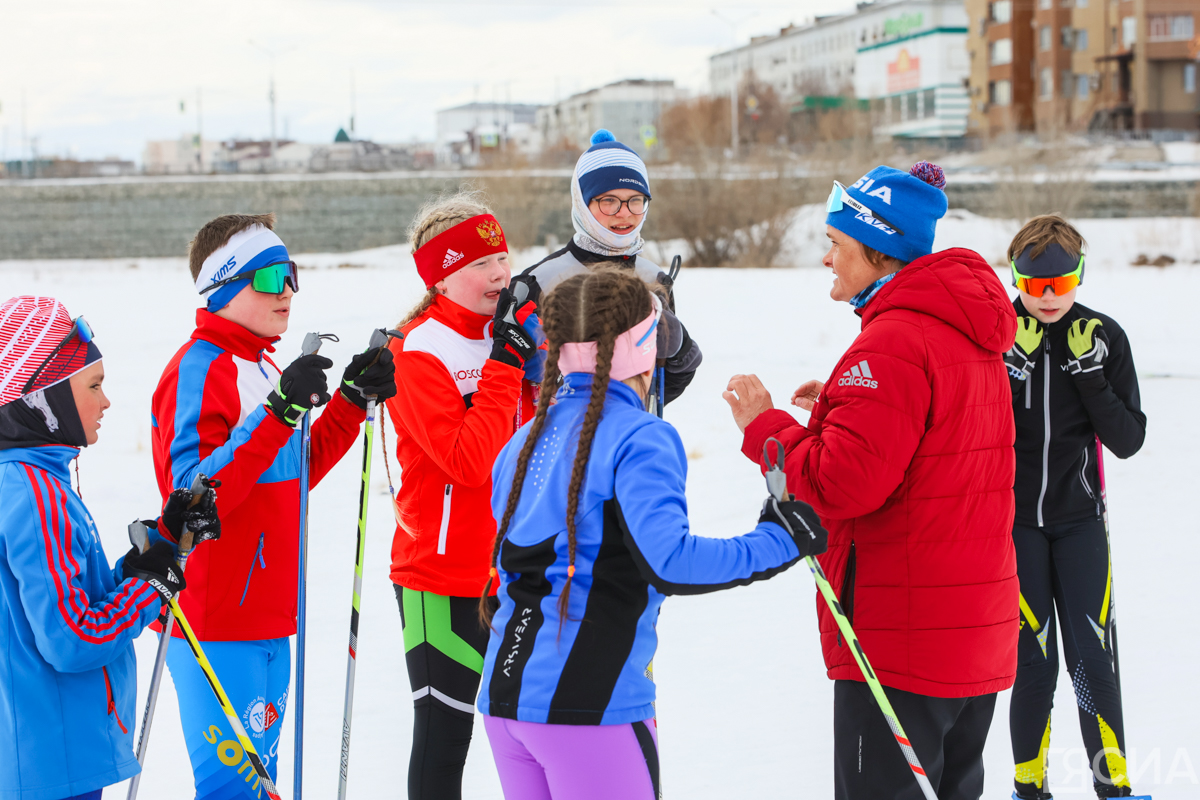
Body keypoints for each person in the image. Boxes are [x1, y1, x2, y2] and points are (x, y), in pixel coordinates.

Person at [724, 163, 1019, 800]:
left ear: (877, 249)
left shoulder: (892, 341)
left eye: (836, 244)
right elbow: (934, 446)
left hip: (901, 644)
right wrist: (839, 408)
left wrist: (764, 425)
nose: (827, 258)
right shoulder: (964, 330)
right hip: (967, 636)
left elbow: (841, 484)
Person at [477, 267, 827, 800]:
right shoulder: (642, 436)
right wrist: (779, 538)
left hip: (506, 703)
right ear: (642, 343)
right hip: (589, 708)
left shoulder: (524, 438)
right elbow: (671, 564)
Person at [151, 213, 396, 798]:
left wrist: (349, 402)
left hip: (267, 615)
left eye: (291, 275)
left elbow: (293, 469)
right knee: (233, 790)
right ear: (224, 286)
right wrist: (281, 410)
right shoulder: (202, 367)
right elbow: (192, 500)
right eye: (268, 278)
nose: (286, 290)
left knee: (261, 786)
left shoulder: (261, 368)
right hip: (212, 622)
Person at [0, 295, 218, 800]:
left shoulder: (28, 481)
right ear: (44, 398)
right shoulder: (34, 494)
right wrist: (148, 588)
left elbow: (65, 599)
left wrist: (156, 548)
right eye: (92, 386)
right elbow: (72, 639)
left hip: (41, 755)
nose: (106, 401)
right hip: (54, 762)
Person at [382, 194, 539, 800]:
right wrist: (504, 366)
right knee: (445, 738)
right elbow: (469, 463)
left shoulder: (517, 337)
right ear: (441, 276)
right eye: (480, 263)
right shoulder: (419, 350)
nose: (500, 274)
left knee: (528, 733)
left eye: (502, 256)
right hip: (441, 578)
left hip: (519, 571)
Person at [1002, 215, 1147, 800]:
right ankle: (1028, 788)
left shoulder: (1103, 335)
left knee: (1093, 659)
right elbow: (970, 429)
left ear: (1078, 276)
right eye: (1034, 286)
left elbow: (1129, 439)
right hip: (1013, 527)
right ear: (1014, 278)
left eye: (1060, 286)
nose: (1046, 299)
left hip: (1080, 523)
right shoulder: (995, 332)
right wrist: (1011, 370)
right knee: (1033, 663)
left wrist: (1090, 377)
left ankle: (1113, 786)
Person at [515, 129, 702, 409]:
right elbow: (509, 384)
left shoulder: (654, 278)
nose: (624, 212)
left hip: (630, 441)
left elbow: (660, 389)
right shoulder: (538, 281)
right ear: (582, 203)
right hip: (554, 442)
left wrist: (680, 354)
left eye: (635, 200)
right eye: (608, 200)